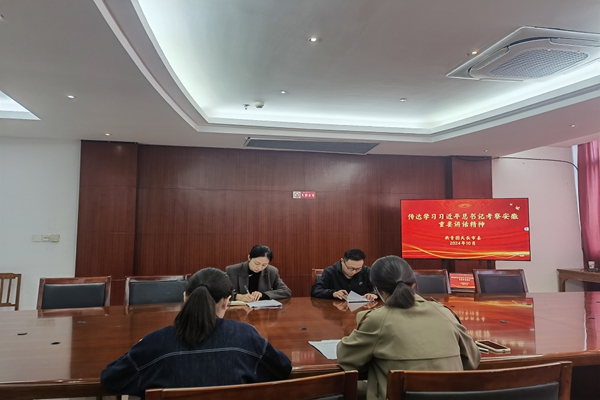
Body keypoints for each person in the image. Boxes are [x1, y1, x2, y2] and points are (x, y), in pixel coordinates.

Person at [100, 268, 291, 398]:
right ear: (226, 302)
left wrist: (139, 347)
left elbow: (110, 379)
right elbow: (282, 369)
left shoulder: (155, 342)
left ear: (185, 297)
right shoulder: (246, 336)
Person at [337, 256, 481, 400]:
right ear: (413, 283)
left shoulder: (377, 319)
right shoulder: (444, 313)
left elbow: (347, 359)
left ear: (377, 289)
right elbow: (472, 360)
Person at [226, 244, 291, 301]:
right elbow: (221, 292)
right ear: (249, 257)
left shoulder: (271, 271)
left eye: (264, 265)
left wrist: (263, 295)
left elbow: (286, 291)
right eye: (257, 263)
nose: (259, 268)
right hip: (239, 310)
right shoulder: (232, 271)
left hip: (263, 309)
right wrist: (237, 296)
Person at [311, 248, 377, 300]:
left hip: (361, 308)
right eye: (350, 268)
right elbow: (316, 290)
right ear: (342, 261)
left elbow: (378, 289)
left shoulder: (366, 271)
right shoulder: (330, 271)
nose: (354, 272)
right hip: (335, 308)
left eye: (358, 269)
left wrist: (374, 295)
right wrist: (333, 293)